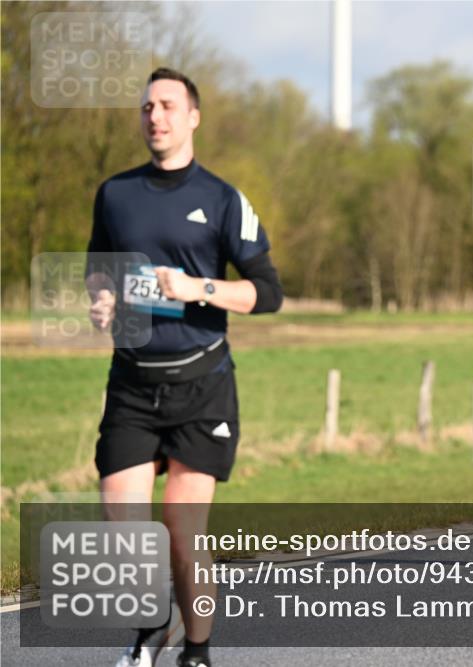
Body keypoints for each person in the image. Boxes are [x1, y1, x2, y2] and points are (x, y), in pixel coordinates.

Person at [86, 67, 283, 667]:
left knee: (181, 532)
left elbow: (266, 293)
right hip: (132, 384)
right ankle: (152, 625)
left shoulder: (223, 199)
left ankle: (196, 650)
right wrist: (100, 297)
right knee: (122, 523)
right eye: (147, 107)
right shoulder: (115, 193)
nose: (156, 116)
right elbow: (99, 265)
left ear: (193, 116)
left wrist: (199, 288)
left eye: (168, 105)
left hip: (202, 385)